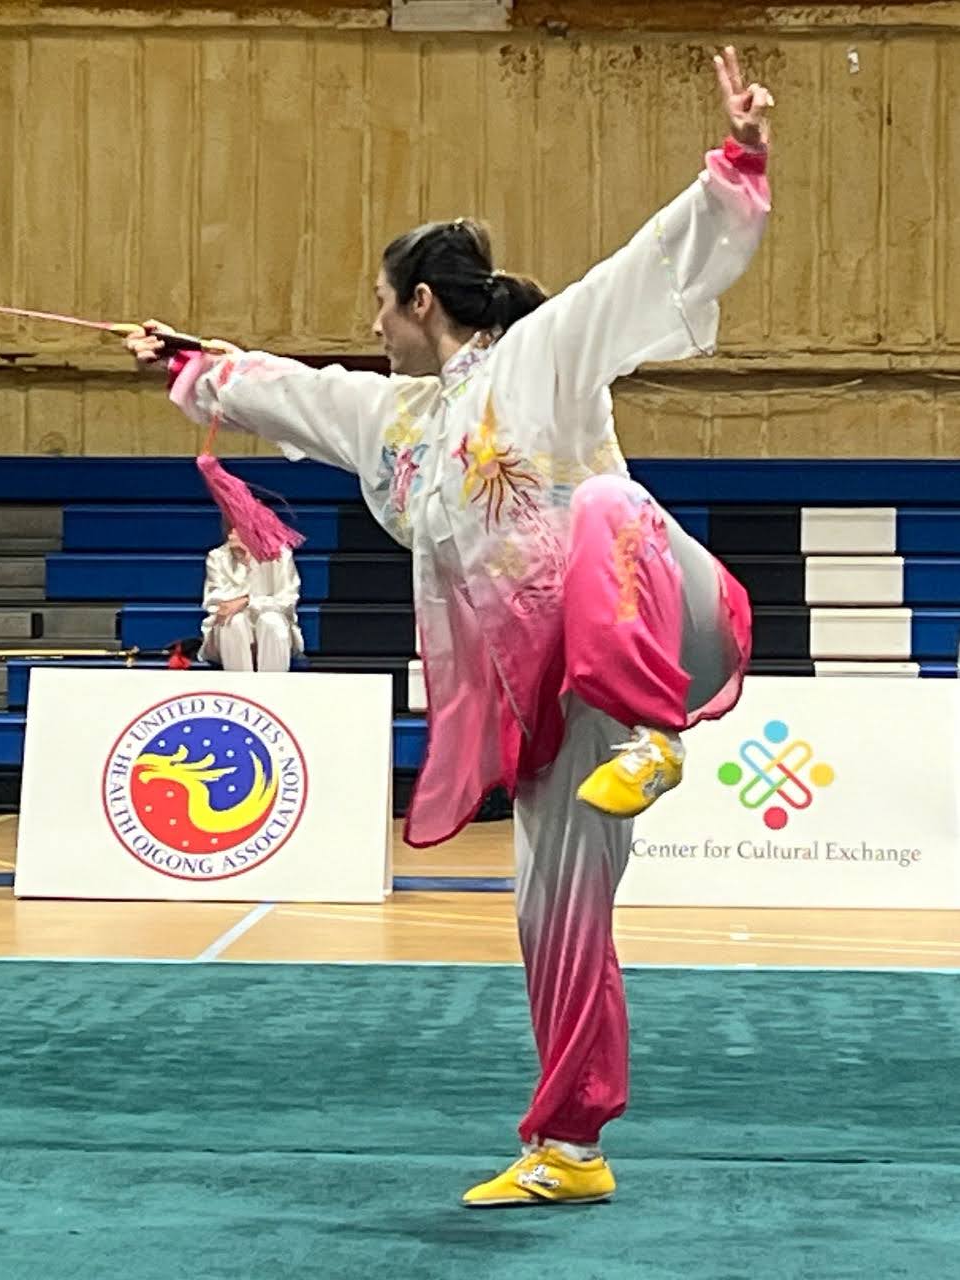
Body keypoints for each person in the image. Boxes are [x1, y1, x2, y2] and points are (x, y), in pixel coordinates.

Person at [127, 49, 772, 1206]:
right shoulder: (398, 421)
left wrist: (736, 161)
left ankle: (655, 734)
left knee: (607, 505)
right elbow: (289, 389)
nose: (370, 322)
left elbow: (647, 265)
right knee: (550, 914)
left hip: (670, 617)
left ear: (422, 300)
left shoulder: (543, 355)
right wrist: (188, 362)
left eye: (380, 301)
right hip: (559, 698)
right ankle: (570, 1148)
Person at [201, 524, 302, 672]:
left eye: (239, 528)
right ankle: (239, 684)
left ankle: (273, 683)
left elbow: (286, 601)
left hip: (272, 625)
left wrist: (248, 601)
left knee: (271, 621)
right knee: (234, 621)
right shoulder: (217, 557)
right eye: (231, 528)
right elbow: (219, 605)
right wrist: (243, 566)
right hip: (231, 628)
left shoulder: (281, 555)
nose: (232, 534)